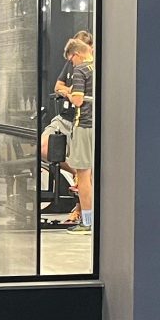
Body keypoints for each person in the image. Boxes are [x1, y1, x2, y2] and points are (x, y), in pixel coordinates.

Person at [60, 37, 95, 232]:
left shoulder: (80, 70)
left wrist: (68, 93)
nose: (71, 64)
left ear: (76, 54)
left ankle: (87, 221)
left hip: (83, 125)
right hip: (99, 126)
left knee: (83, 176)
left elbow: (78, 101)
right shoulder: (98, 67)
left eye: (71, 60)